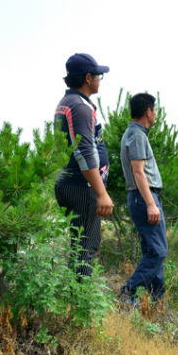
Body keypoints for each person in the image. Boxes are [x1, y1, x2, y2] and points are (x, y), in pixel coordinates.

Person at [54, 53, 113, 278]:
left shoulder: (69, 103)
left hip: (72, 183)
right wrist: (101, 193)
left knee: (79, 248)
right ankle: (82, 307)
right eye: (99, 75)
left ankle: (75, 300)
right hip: (82, 187)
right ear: (88, 78)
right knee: (85, 250)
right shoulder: (79, 106)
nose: (100, 79)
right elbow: (84, 152)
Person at [119, 93, 168, 302]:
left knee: (152, 250)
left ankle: (157, 301)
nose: (156, 114)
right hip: (144, 197)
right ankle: (128, 292)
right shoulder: (137, 135)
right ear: (148, 111)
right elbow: (138, 172)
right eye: (155, 110)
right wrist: (150, 204)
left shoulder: (134, 133)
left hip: (143, 197)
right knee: (158, 252)